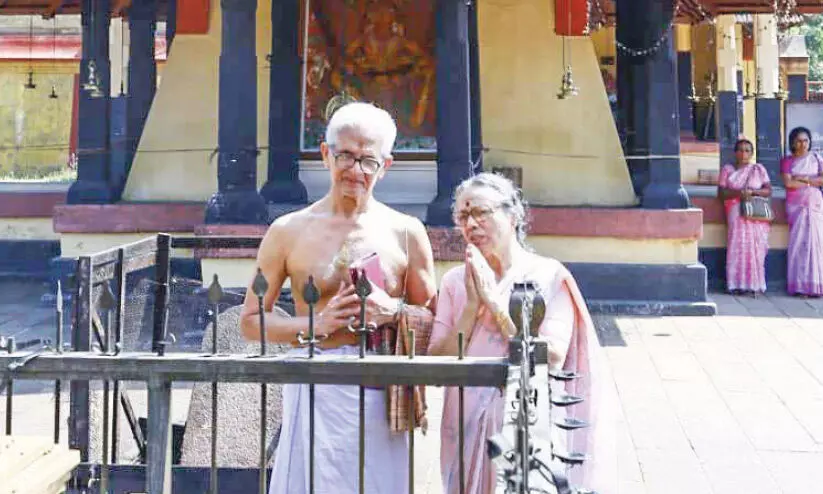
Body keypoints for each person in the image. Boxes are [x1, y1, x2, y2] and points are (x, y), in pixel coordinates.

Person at [239, 102, 438, 493]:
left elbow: (436, 323)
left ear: (386, 166)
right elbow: (250, 321)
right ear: (325, 153)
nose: (355, 170)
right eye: (346, 155)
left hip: (380, 390)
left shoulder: (406, 232)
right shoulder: (287, 231)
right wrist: (317, 325)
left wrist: (393, 310)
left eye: (368, 160)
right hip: (313, 383)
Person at [427, 173, 619, 494]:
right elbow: (437, 360)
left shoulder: (548, 276)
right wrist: (473, 307)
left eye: (481, 213)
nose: (471, 224)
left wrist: (496, 303)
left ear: (513, 215)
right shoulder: (453, 282)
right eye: (463, 215)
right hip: (465, 422)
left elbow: (552, 355)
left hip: (527, 422)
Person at [717, 138, 772, 295]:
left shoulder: (758, 169)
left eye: (747, 150)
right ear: (735, 153)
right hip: (735, 210)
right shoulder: (727, 170)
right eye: (740, 150)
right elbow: (721, 193)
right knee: (737, 245)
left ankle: (755, 284)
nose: (743, 153)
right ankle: (736, 283)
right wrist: (739, 193)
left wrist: (753, 192)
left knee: (756, 247)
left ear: (752, 153)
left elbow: (768, 190)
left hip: (755, 214)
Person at [781, 126, 823, 297]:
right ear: (793, 142)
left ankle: (816, 285)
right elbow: (789, 184)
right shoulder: (787, 161)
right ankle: (799, 286)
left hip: (815, 205)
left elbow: (821, 180)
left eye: (806, 140)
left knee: (816, 243)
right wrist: (810, 181)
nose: (803, 144)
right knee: (798, 244)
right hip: (796, 207)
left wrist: (803, 179)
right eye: (799, 141)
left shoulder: (816, 159)